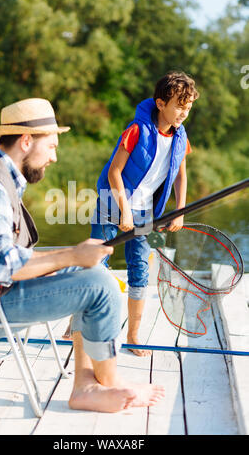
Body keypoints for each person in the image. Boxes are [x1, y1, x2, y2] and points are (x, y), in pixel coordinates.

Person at [0, 97, 165, 413]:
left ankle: (85, 386)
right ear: (26, 141)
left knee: (94, 275)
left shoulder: (2, 178)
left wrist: (71, 259)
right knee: (99, 287)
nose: (54, 157)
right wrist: (71, 256)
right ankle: (109, 383)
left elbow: (6, 257)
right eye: (51, 146)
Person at [90, 71, 199, 356]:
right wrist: (123, 211)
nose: (183, 113)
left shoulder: (180, 137)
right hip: (111, 204)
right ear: (161, 103)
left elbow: (180, 176)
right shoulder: (136, 130)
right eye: (179, 106)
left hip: (144, 212)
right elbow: (114, 171)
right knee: (96, 264)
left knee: (139, 270)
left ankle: (134, 336)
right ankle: (78, 328)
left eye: (188, 108)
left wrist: (180, 211)